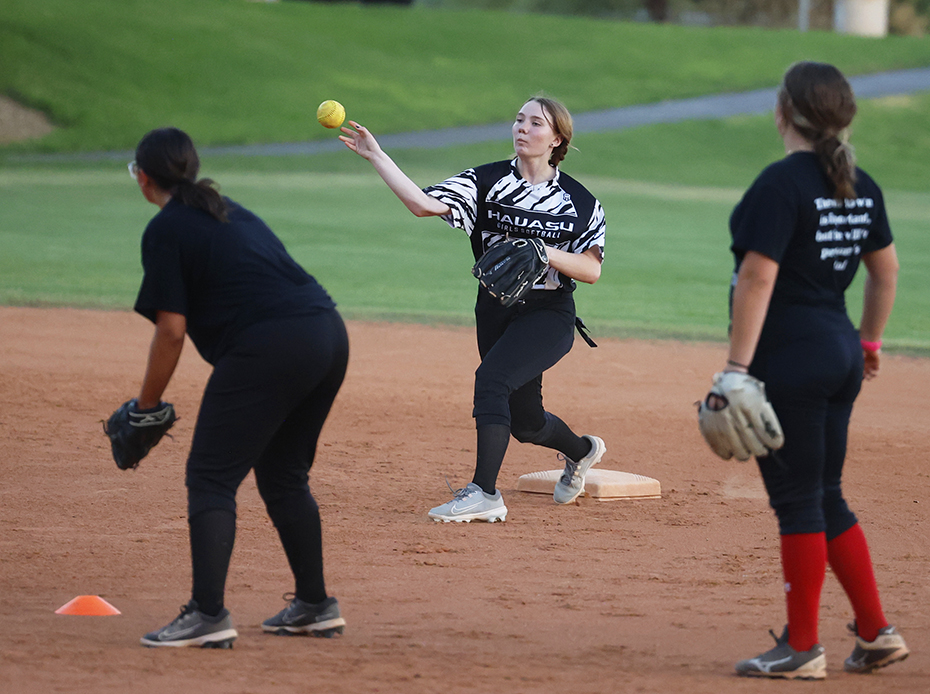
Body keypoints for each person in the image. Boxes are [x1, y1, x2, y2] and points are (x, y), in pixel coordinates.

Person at [711, 62, 909, 679]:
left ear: (784, 114)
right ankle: (875, 633)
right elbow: (886, 271)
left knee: (798, 503)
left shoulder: (780, 184)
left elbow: (758, 276)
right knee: (825, 495)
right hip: (839, 350)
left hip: (789, 356)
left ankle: (801, 649)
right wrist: (869, 343)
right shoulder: (859, 182)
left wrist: (736, 370)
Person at [125, 127, 349, 648]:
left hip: (269, 346)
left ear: (143, 179)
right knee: (283, 475)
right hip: (327, 333)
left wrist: (147, 406)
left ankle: (207, 614)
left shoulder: (166, 229)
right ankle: (315, 605)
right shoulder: (229, 209)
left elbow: (171, 331)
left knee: (210, 476)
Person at [339, 96, 606, 522]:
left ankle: (484, 492)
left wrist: (544, 252)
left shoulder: (580, 201)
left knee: (492, 380)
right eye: (519, 120)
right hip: (496, 310)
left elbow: (591, 269)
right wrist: (377, 156)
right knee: (527, 422)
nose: (522, 128)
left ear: (557, 138)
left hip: (549, 312)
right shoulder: (485, 181)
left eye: (535, 123)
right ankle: (582, 451)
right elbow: (423, 205)